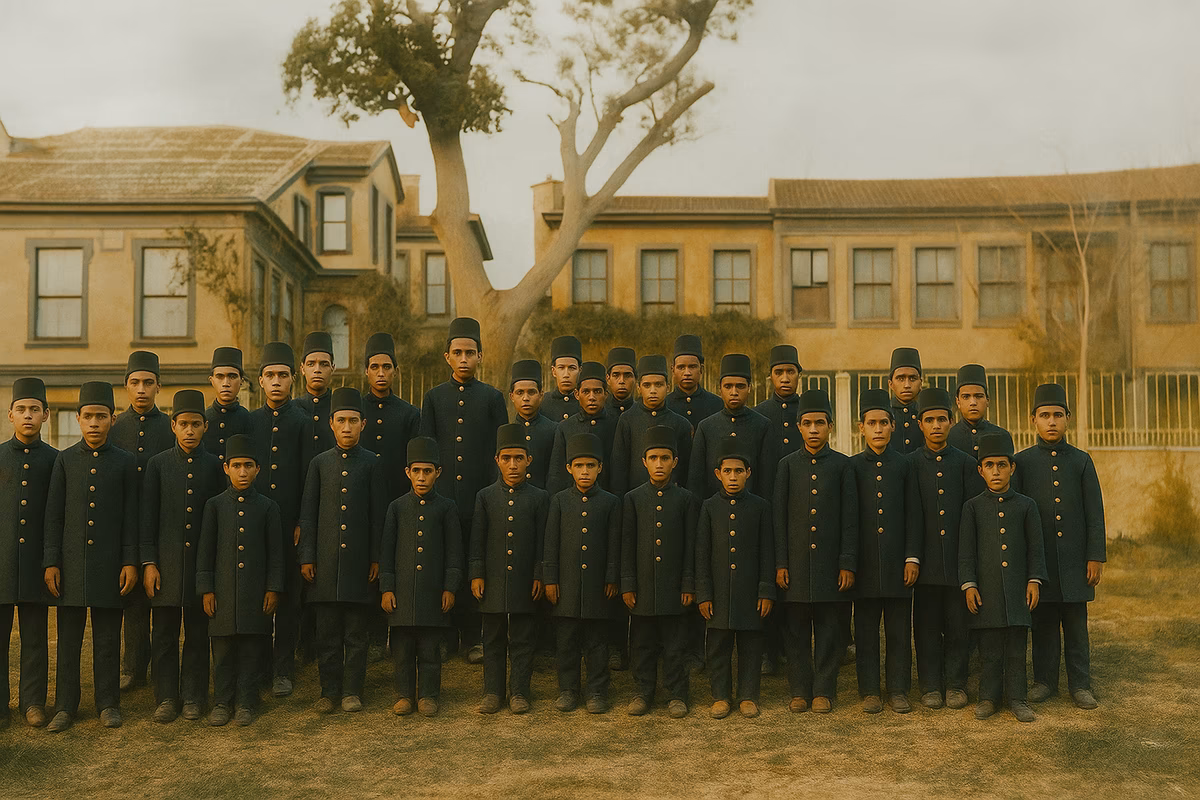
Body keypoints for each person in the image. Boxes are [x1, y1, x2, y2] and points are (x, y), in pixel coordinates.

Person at [43, 381, 140, 732]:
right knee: (68, 640)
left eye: (101, 416)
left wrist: (129, 561)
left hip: (110, 565)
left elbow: (131, 517)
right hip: (69, 566)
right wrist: (51, 561)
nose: (94, 423)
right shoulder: (65, 459)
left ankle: (108, 703)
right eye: (88, 416)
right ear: (79, 419)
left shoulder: (126, 462)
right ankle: (65, 707)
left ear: (113, 419)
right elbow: (53, 515)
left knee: (108, 638)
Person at [419, 317, 507, 664]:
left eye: (470, 353)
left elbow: (500, 452)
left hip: (477, 498)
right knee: (441, 565)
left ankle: (473, 638)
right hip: (442, 501)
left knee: (473, 567)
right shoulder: (433, 397)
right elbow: (427, 448)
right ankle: (443, 637)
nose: (464, 359)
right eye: (457, 353)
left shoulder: (492, 398)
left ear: (480, 356)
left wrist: (490, 495)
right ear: (447, 357)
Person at [1015, 383, 1106, 710]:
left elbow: (1094, 513)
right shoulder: (1022, 462)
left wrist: (1095, 556)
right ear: (1033, 420)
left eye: (1057, 415)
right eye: (1044, 415)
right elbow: (1017, 514)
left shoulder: (1081, 461)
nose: (1051, 421)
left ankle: (1080, 684)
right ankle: (1044, 681)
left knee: (1076, 626)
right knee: (1043, 624)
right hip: (1040, 562)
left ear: (1068, 418)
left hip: (1074, 561)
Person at [299, 387, 386, 714]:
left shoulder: (373, 464)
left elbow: (378, 517)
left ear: (363, 423)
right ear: (330, 424)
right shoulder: (319, 464)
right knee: (327, 635)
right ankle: (329, 691)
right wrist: (307, 556)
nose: (347, 427)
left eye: (353, 420)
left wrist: (376, 557)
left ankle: (352, 691)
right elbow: (308, 514)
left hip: (359, 565)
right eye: (341, 421)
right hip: (325, 564)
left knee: (356, 635)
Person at [140, 389, 224, 723]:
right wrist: (149, 563)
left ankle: (193, 696)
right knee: (163, 635)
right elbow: (147, 519)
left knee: (198, 634)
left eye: (196, 424)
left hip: (201, 567)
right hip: (166, 566)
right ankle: (165, 697)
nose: (189, 430)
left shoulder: (216, 466)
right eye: (183, 424)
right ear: (173, 426)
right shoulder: (158, 465)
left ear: (206, 426)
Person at [773, 388, 856, 714]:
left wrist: (846, 562)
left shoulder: (842, 466)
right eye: (807, 423)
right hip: (794, 565)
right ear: (798, 426)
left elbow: (850, 519)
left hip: (829, 565)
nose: (813, 429)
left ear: (830, 426)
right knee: (795, 631)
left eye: (819, 423)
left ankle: (823, 689)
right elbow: (779, 518)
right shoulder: (786, 466)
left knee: (829, 630)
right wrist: (781, 562)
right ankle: (799, 689)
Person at [197, 434, 284, 727]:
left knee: (251, 648)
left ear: (258, 469)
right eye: (236, 466)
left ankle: (247, 701)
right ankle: (222, 702)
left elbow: (276, 553)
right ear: (226, 468)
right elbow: (205, 551)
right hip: (221, 592)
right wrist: (206, 589)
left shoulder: (268, 507)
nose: (242, 472)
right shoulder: (214, 506)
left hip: (255, 592)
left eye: (248, 465)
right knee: (222, 650)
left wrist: (273, 588)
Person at [960, 432, 1047, 723]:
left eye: (1001, 465)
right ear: (980, 470)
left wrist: (1034, 580)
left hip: (1018, 590)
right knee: (990, 649)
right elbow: (966, 552)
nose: (995, 471)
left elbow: (1036, 548)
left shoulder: (1026, 506)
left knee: (1016, 648)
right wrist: (969, 585)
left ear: (1012, 467)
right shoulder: (972, 507)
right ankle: (989, 697)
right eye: (989, 465)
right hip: (987, 590)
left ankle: (1018, 699)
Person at [850, 389, 921, 714]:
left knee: (898, 630)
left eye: (883, 423)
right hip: (864, 565)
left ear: (893, 425)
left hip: (897, 565)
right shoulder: (852, 467)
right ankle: (869, 690)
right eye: (871, 423)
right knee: (865, 631)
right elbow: (848, 520)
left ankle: (898, 689)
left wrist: (911, 557)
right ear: (861, 428)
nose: (877, 429)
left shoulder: (905, 465)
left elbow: (913, 514)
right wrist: (850, 562)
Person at [380, 437, 463, 717]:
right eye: (416, 471)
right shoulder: (396, 507)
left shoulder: (447, 508)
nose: (422, 477)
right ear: (407, 472)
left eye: (428, 471)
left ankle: (428, 695)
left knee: (430, 650)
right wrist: (387, 588)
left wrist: (450, 587)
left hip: (432, 593)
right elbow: (387, 552)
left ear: (438, 473)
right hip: (401, 594)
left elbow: (454, 553)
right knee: (402, 651)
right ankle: (404, 695)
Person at [621, 425, 700, 719]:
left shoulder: (686, 500)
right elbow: (627, 544)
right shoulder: (633, 499)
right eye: (653, 458)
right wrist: (628, 583)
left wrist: (688, 583)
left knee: (675, 645)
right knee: (642, 643)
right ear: (644, 461)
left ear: (674, 461)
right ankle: (643, 691)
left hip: (674, 586)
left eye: (665, 458)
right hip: (642, 586)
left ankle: (677, 693)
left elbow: (692, 545)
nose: (659, 464)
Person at [469, 424, 549, 715]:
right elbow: (477, 539)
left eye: (518, 458)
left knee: (523, 638)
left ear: (529, 460)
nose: (513, 465)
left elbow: (543, 541)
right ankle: (492, 692)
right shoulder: (485, 497)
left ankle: (519, 692)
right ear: (497, 460)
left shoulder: (540, 497)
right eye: (506, 458)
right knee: (492, 638)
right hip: (492, 579)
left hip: (525, 580)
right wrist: (477, 573)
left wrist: (539, 573)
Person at [909, 387, 981, 711]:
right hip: (924, 564)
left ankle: (956, 684)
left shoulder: (966, 464)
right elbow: (909, 515)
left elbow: (971, 515)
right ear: (920, 424)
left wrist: (968, 563)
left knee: (957, 627)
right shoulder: (911, 463)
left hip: (956, 562)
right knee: (926, 628)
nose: (936, 425)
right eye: (929, 420)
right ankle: (929, 685)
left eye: (941, 419)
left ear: (951, 422)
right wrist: (913, 557)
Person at [696, 438, 774, 719]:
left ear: (748, 473)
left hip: (749, 590)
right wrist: (704, 593)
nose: (733, 477)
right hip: (717, 591)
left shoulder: (760, 507)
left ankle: (748, 695)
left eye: (738, 471)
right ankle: (720, 696)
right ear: (718, 474)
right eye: (727, 471)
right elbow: (701, 553)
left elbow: (767, 551)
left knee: (751, 645)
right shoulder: (708, 507)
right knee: (718, 645)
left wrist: (766, 590)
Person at [543, 433, 621, 714]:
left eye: (590, 465)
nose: (584, 471)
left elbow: (615, 543)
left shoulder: (611, 502)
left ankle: (597, 691)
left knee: (597, 642)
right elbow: (551, 543)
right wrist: (551, 579)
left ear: (600, 468)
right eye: (579, 465)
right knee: (566, 641)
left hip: (598, 585)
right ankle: (568, 690)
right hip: (566, 585)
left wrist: (611, 577)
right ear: (568, 468)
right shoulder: (559, 501)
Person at [110, 350, 173, 691]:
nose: (141, 389)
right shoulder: (115, 427)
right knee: (132, 602)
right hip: (124, 525)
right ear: (126, 386)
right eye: (135, 382)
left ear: (158, 386)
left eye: (148, 383)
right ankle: (132, 667)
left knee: (162, 601)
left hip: (164, 525)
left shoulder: (171, 427)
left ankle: (165, 670)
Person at [248, 341, 308, 697]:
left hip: (288, 526)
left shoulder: (302, 422)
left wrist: (302, 520)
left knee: (286, 597)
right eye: (269, 375)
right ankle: (258, 666)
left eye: (282, 375)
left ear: (292, 380)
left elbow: (308, 477)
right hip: (255, 524)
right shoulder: (250, 421)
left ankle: (284, 668)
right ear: (260, 380)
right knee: (258, 593)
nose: (276, 381)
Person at [0, 378, 57, 728]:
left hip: (37, 563)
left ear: (46, 415)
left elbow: (56, 515)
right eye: (21, 409)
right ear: (10, 415)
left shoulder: (55, 461)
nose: (28, 415)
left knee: (35, 636)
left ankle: (33, 702)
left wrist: (51, 560)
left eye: (34, 409)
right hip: (2, 562)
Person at [687, 354, 776, 500]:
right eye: (728, 386)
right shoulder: (706, 427)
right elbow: (696, 482)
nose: (734, 392)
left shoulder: (763, 426)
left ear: (749, 388)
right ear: (719, 389)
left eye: (740, 386)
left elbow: (767, 481)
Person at [610, 355, 693, 496]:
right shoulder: (627, 420)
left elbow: (686, 469)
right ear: (638, 388)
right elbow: (619, 467)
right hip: (636, 498)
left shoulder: (680, 424)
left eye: (658, 385)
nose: (653, 390)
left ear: (668, 387)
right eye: (647, 385)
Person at [361, 332, 421, 504]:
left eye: (387, 367)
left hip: (397, 498)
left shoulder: (410, 414)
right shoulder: (356, 412)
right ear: (366, 371)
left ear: (396, 371)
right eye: (374, 367)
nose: (381, 373)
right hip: (361, 497)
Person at [548, 361, 618, 495]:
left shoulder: (616, 424)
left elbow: (618, 470)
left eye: (597, 391)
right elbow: (556, 474)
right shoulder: (565, 427)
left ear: (606, 394)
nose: (592, 397)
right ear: (576, 394)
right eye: (586, 392)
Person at [509, 359, 556, 490]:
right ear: (512, 396)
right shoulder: (508, 432)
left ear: (541, 395)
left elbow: (556, 474)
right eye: (520, 393)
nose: (525, 398)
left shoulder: (554, 430)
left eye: (531, 392)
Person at [753, 344, 804, 462]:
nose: (785, 379)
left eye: (790, 372)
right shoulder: (758, 413)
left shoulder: (808, 412)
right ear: (770, 376)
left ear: (799, 375)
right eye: (778, 372)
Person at [947, 364, 1009, 459]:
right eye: (966, 397)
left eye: (979, 396)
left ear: (987, 401)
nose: (973, 402)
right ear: (958, 402)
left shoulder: (1001, 436)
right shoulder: (948, 437)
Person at [204, 347, 252, 462]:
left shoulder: (248, 419)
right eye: (220, 377)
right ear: (211, 380)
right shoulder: (203, 419)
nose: (226, 383)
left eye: (232, 376)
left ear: (241, 381)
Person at [296, 331, 336, 469]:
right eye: (311, 364)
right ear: (302, 369)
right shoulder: (293, 408)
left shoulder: (340, 409)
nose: (317, 370)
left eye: (324, 364)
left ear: (333, 368)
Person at [666, 334, 723, 427]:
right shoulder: (665, 405)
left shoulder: (717, 404)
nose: (687, 373)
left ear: (701, 369)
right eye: (681, 367)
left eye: (692, 367)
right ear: (673, 370)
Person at [887, 347, 923, 454]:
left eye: (912, 378)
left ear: (920, 383)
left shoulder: (926, 413)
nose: (907, 385)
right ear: (890, 384)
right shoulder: (885, 413)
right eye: (900, 379)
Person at [542, 335, 582, 422]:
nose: (566, 374)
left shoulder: (586, 403)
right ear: (554, 371)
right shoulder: (542, 403)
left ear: (580, 370)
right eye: (561, 368)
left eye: (572, 368)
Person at [605, 347, 638, 416]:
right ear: (608, 379)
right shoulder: (600, 412)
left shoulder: (642, 414)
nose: (621, 381)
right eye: (616, 375)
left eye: (627, 376)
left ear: (635, 379)